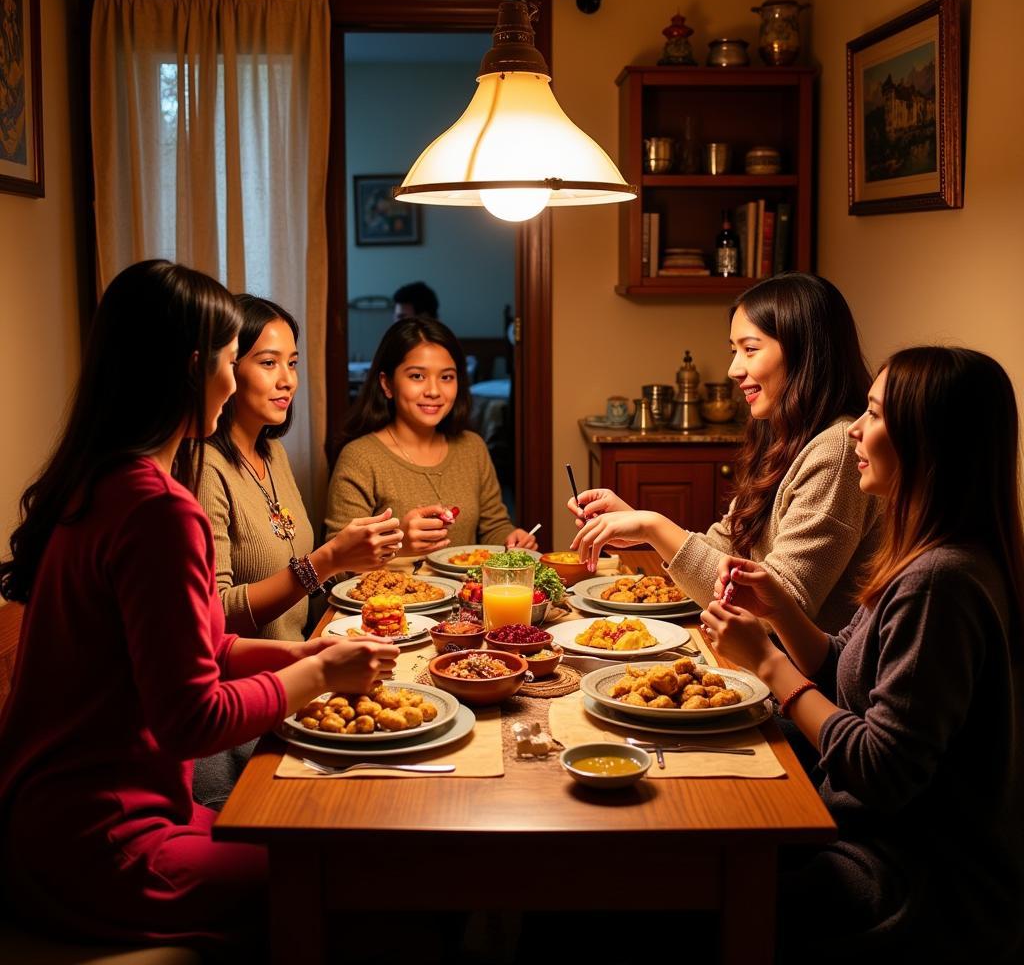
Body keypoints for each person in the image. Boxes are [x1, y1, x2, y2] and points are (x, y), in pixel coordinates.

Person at [0, 260, 398, 950]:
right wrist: (320, 678)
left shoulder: (100, 483)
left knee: (324, 832)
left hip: (53, 824)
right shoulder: (158, 511)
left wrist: (303, 654)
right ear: (194, 368)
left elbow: (201, 647)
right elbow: (191, 718)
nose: (239, 373)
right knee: (355, 874)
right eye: (231, 356)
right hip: (104, 846)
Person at [699, 347, 1024, 961]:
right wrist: (782, 612)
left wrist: (769, 667)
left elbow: (880, 769)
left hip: (911, 880)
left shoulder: (942, 583)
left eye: (872, 414)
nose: (854, 429)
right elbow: (845, 672)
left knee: (682, 894)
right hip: (870, 839)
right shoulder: (926, 556)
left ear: (928, 442)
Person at [571, 272, 881, 633]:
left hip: (807, 677)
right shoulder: (783, 434)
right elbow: (729, 547)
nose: (734, 369)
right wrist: (641, 527)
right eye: (734, 351)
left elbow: (776, 608)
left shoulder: (838, 448)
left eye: (750, 349)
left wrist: (654, 526)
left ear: (804, 352)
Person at [199, 294, 403, 642]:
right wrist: (327, 559)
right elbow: (215, 616)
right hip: (254, 680)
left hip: (300, 658)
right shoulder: (205, 468)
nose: (288, 380)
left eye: (292, 363)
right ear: (228, 367)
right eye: (268, 363)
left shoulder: (273, 452)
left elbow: (302, 588)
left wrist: (355, 555)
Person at [326, 317, 537, 554]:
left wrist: (511, 539)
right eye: (417, 376)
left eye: (446, 377)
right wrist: (399, 545)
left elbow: (493, 526)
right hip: (392, 591)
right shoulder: (360, 457)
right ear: (387, 384)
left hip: (467, 591)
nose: (434, 391)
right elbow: (338, 560)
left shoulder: (472, 447)